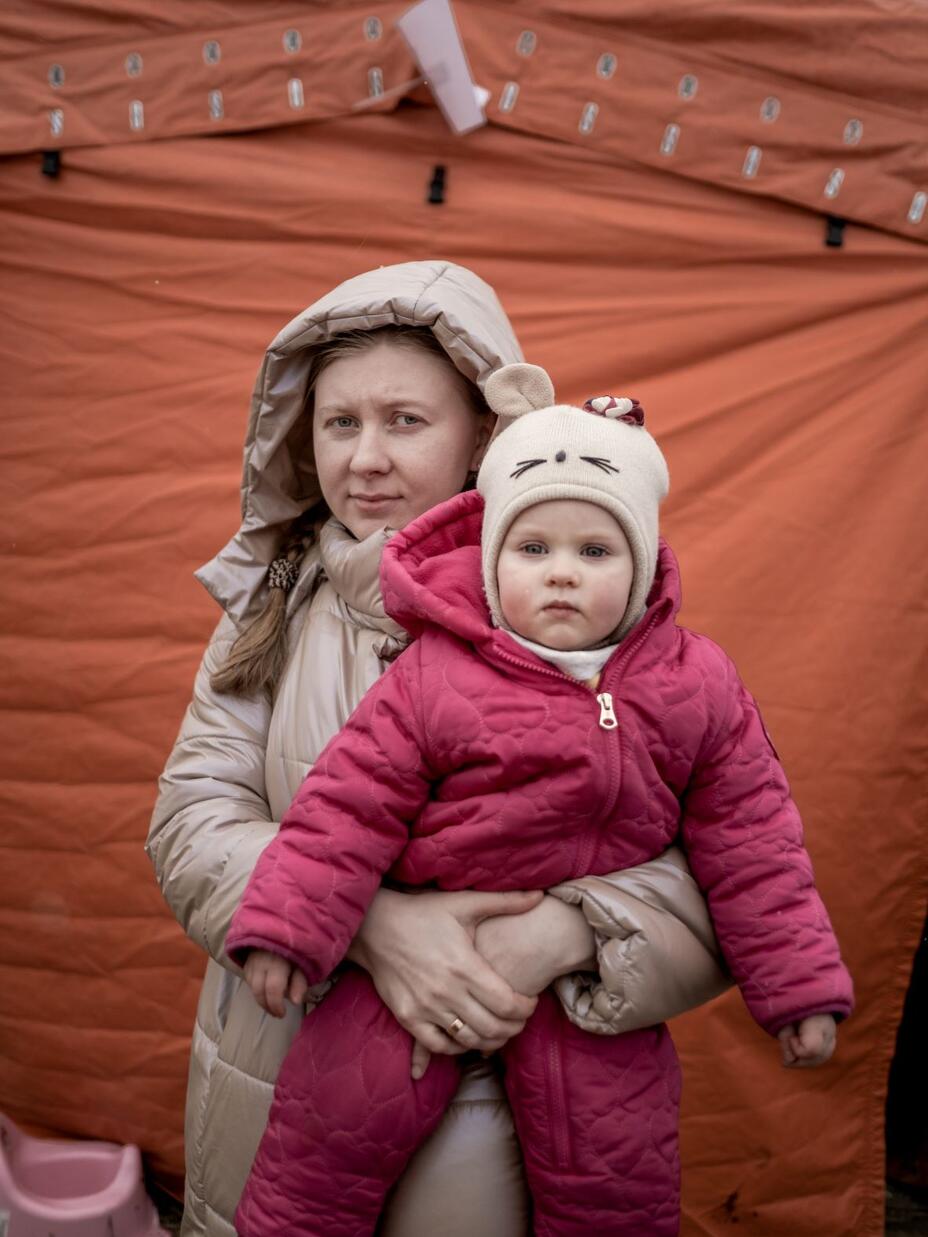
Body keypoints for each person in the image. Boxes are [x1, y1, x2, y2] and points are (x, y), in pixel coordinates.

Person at [147, 263, 728, 1237]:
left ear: (480, 438)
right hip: (279, 1077)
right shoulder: (273, 611)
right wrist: (367, 922)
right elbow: (191, 819)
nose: (365, 458)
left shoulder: (584, 610)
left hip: (505, 1119)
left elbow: (733, 854)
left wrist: (567, 933)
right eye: (340, 424)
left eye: (404, 421)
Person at [225, 362, 854, 1237]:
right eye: (534, 549)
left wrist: (797, 988)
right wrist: (289, 928)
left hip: (585, 988)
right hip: (415, 956)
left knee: (615, 1170)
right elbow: (345, 805)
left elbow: (754, 841)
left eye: (594, 552)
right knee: (324, 1135)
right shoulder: (437, 675)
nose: (562, 574)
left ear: (640, 566)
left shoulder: (694, 683)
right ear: (490, 563)